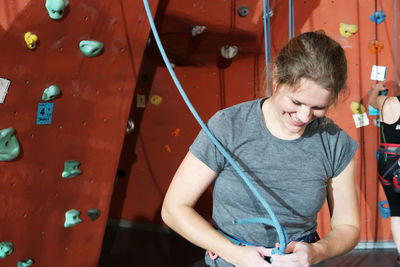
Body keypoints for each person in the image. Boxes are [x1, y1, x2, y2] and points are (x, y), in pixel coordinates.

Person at [161, 31, 360, 266]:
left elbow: (348, 226)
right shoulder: (228, 126)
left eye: (318, 107)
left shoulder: (335, 142)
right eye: (296, 102)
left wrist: (317, 251)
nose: (305, 116)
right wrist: (232, 252)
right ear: (276, 80)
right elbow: (174, 209)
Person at [368, 83, 400, 266]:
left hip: (390, 162)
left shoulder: (390, 102)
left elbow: (372, 102)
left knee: (397, 210)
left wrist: (375, 90)